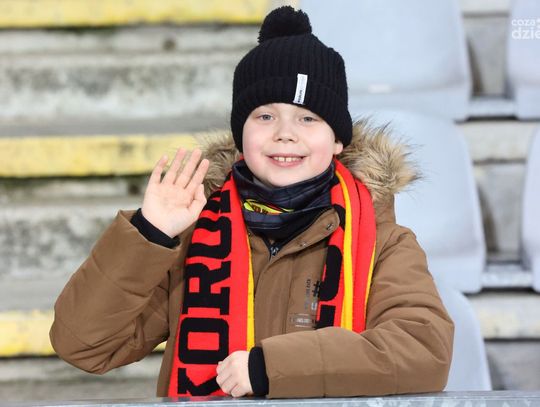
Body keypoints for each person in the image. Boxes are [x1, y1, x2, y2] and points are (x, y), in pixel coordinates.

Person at [50, 6, 454, 399]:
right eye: (265, 117)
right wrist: (149, 234)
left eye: (308, 118)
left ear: (337, 141)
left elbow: (422, 350)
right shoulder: (193, 235)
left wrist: (271, 368)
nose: (285, 133)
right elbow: (83, 345)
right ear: (240, 136)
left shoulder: (384, 242)